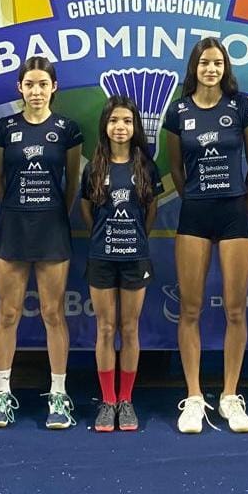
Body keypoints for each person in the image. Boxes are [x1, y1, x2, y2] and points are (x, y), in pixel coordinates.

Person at [165, 37, 248, 434]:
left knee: (235, 310)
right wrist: (196, 198)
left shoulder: (240, 107)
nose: (211, 69)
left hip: (234, 214)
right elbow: (175, 169)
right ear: (194, 67)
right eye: (204, 62)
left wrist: (241, 206)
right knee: (190, 309)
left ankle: (230, 396)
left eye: (218, 63)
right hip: (195, 214)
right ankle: (194, 397)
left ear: (225, 68)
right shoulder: (179, 111)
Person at [0, 56, 84, 429]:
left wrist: (52, 213)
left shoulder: (67, 129)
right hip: (13, 226)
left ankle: (58, 394)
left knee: (52, 313)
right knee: (8, 313)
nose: (36, 91)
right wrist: (18, 209)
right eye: (30, 84)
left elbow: (71, 183)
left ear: (53, 87)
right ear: (20, 88)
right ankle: (1, 392)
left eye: (43, 84)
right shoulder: (4, 128)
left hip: (52, 228)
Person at [81, 96, 163, 432]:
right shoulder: (93, 167)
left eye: (127, 121)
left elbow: (151, 210)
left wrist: (136, 238)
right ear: (105, 126)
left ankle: (126, 400)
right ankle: (108, 401)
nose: (120, 127)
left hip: (135, 258)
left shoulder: (146, 167)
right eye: (114, 120)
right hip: (101, 257)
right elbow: (86, 209)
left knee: (129, 329)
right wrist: (103, 237)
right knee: (105, 328)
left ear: (135, 127)